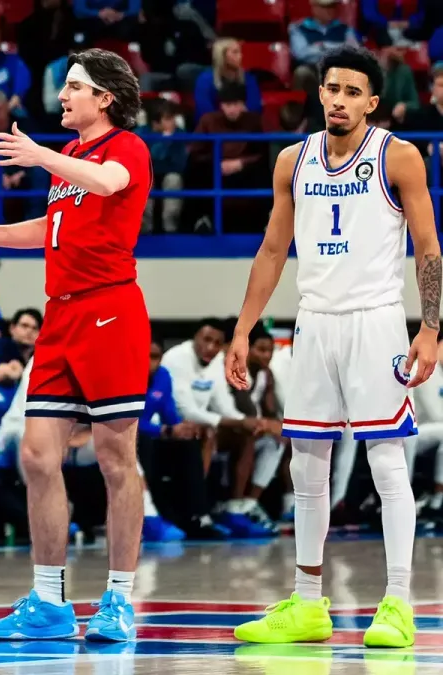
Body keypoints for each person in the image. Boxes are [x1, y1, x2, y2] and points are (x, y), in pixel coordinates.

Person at [227, 45, 439, 649]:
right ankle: (308, 602)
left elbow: (428, 247)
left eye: (352, 92)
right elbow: (272, 250)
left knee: (386, 460)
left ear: (372, 101)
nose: (339, 100)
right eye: (331, 89)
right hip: (314, 320)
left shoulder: (398, 157)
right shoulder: (293, 161)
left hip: (375, 321)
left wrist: (431, 327)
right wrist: (244, 327)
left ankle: (399, 601)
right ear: (319, 93)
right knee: (307, 463)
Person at [0, 48, 151, 642]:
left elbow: (108, 184)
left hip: (110, 310)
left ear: (104, 98)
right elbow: (49, 229)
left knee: (115, 459)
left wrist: (38, 156)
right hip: (60, 317)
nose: (62, 95)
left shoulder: (123, 149)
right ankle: (50, 602)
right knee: (35, 456)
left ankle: (119, 599)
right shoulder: (71, 163)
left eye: (75, 87)